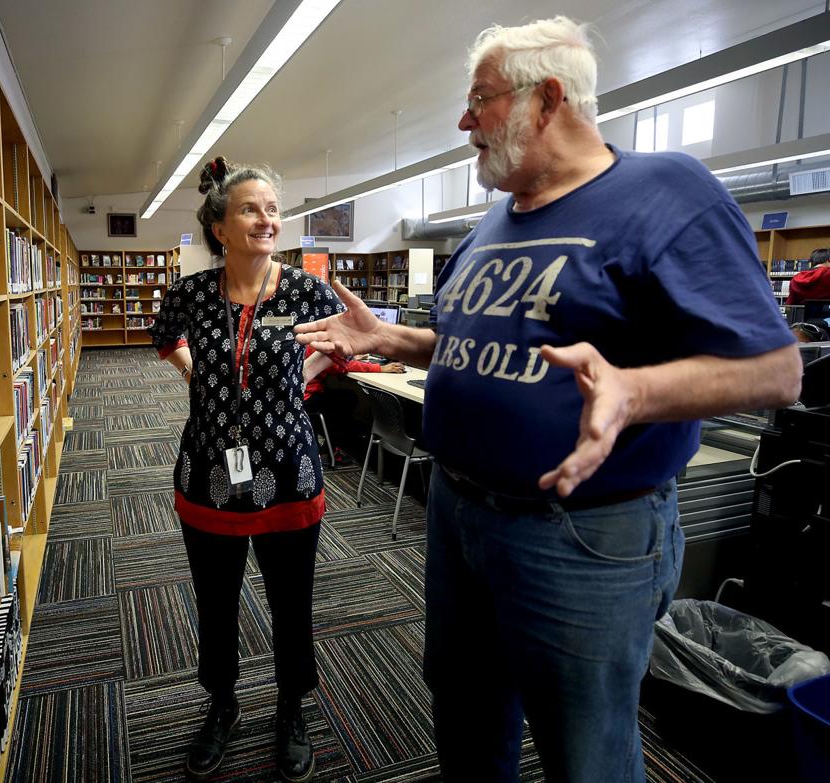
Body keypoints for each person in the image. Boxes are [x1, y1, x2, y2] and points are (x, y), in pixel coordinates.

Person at [296, 16, 801, 783]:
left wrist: (634, 390)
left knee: (584, 748)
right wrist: (397, 342)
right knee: (464, 712)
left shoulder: (665, 189)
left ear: (547, 99)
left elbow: (776, 369)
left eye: (480, 102)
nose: (464, 122)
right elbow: (485, 352)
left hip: (580, 532)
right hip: (456, 510)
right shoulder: (492, 223)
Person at [147, 156, 344, 782]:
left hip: (288, 473)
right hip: (207, 473)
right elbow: (162, 335)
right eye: (250, 209)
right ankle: (222, 703)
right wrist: (194, 373)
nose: (266, 219)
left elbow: (340, 349)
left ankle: (291, 708)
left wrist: (297, 383)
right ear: (220, 228)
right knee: (216, 601)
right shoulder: (192, 293)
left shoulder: (308, 290)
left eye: (273, 209)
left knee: (291, 601)